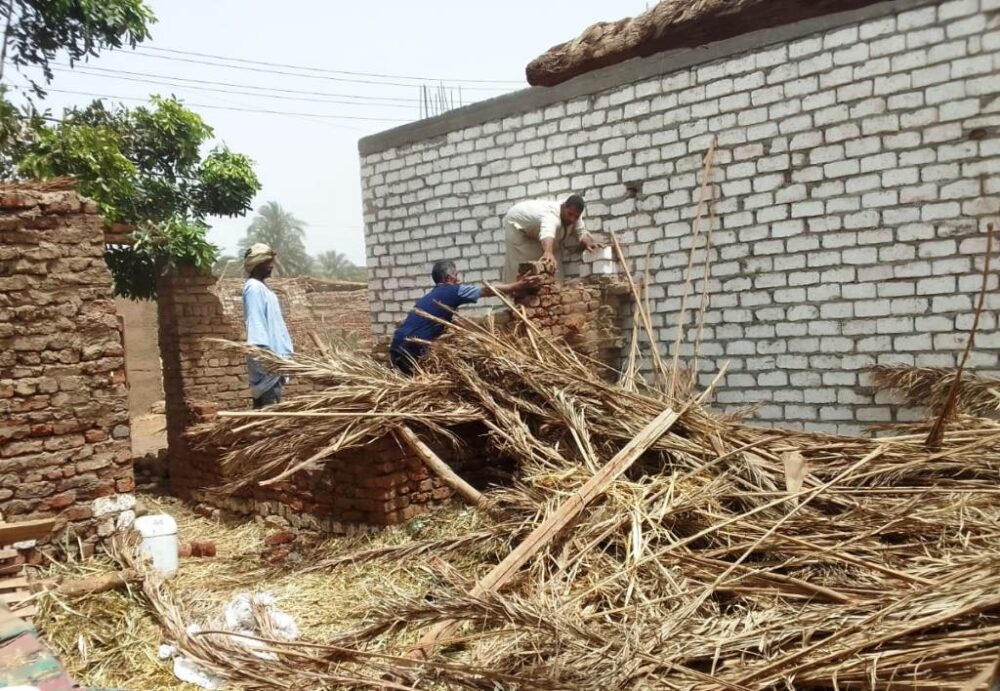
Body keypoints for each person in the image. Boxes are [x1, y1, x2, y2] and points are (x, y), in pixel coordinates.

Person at [389, 259, 538, 375]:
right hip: (412, 349)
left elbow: (430, 320)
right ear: (448, 278)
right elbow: (486, 290)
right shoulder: (453, 290)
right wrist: (516, 286)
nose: (458, 279)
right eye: (456, 276)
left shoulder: (431, 296)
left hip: (397, 345)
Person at [501, 194, 602, 282]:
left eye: (576, 216)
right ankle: (514, 297)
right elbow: (547, 232)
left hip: (537, 228)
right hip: (517, 225)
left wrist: (588, 242)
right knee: (522, 267)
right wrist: (548, 252)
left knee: (553, 265)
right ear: (564, 206)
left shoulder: (574, 213)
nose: (572, 219)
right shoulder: (551, 215)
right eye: (570, 214)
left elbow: (580, 231)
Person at [242, 243, 293, 408]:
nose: (271, 265)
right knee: (271, 418)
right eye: (266, 262)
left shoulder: (263, 288)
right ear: (256, 264)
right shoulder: (254, 288)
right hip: (268, 366)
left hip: (274, 365)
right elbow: (256, 325)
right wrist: (267, 359)